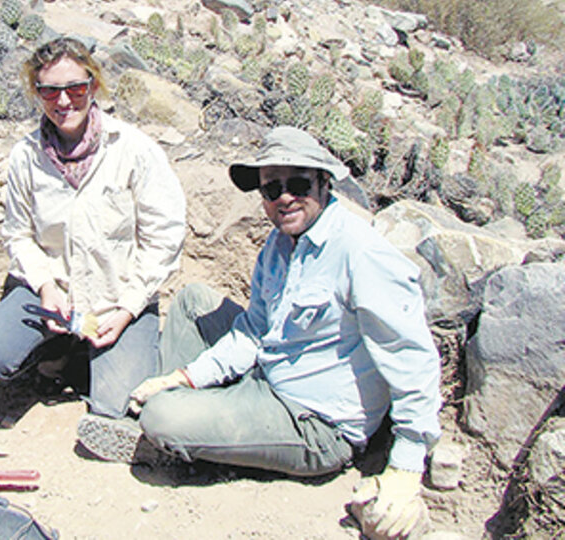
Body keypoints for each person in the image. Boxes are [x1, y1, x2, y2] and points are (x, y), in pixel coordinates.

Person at [79, 126, 442, 539]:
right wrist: (182, 377)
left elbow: (411, 357)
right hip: (268, 372)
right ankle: (191, 412)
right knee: (193, 300)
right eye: (271, 190)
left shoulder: (361, 254)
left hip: (314, 421)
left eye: (299, 184)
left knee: (163, 416)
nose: (284, 198)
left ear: (325, 183)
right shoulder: (280, 243)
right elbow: (254, 330)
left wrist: (407, 465)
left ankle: (167, 439)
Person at [0, 37, 186, 422]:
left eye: (75, 88)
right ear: (37, 93)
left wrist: (129, 307)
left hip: (117, 298)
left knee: (115, 406)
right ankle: (56, 349)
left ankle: (95, 356)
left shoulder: (133, 149)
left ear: (93, 86)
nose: (63, 101)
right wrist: (47, 288)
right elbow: (18, 234)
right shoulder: (26, 156)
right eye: (50, 90)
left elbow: (164, 236)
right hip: (57, 295)